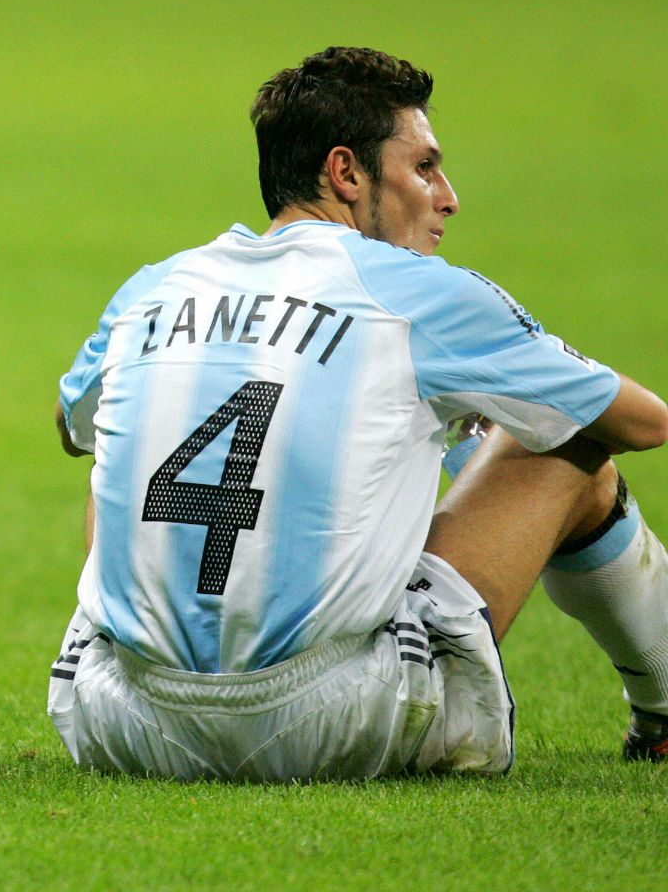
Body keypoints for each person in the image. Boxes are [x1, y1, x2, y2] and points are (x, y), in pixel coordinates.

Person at [48, 47, 668, 780]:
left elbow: (72, 428)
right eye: (424, 167)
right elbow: (643, 423)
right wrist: (481, 422)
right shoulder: (419, 294)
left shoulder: (154, 287)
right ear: (346, 173)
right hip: (335, 718)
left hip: (119, 722)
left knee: (122, 447)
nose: (448, 196)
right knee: (568, 442)